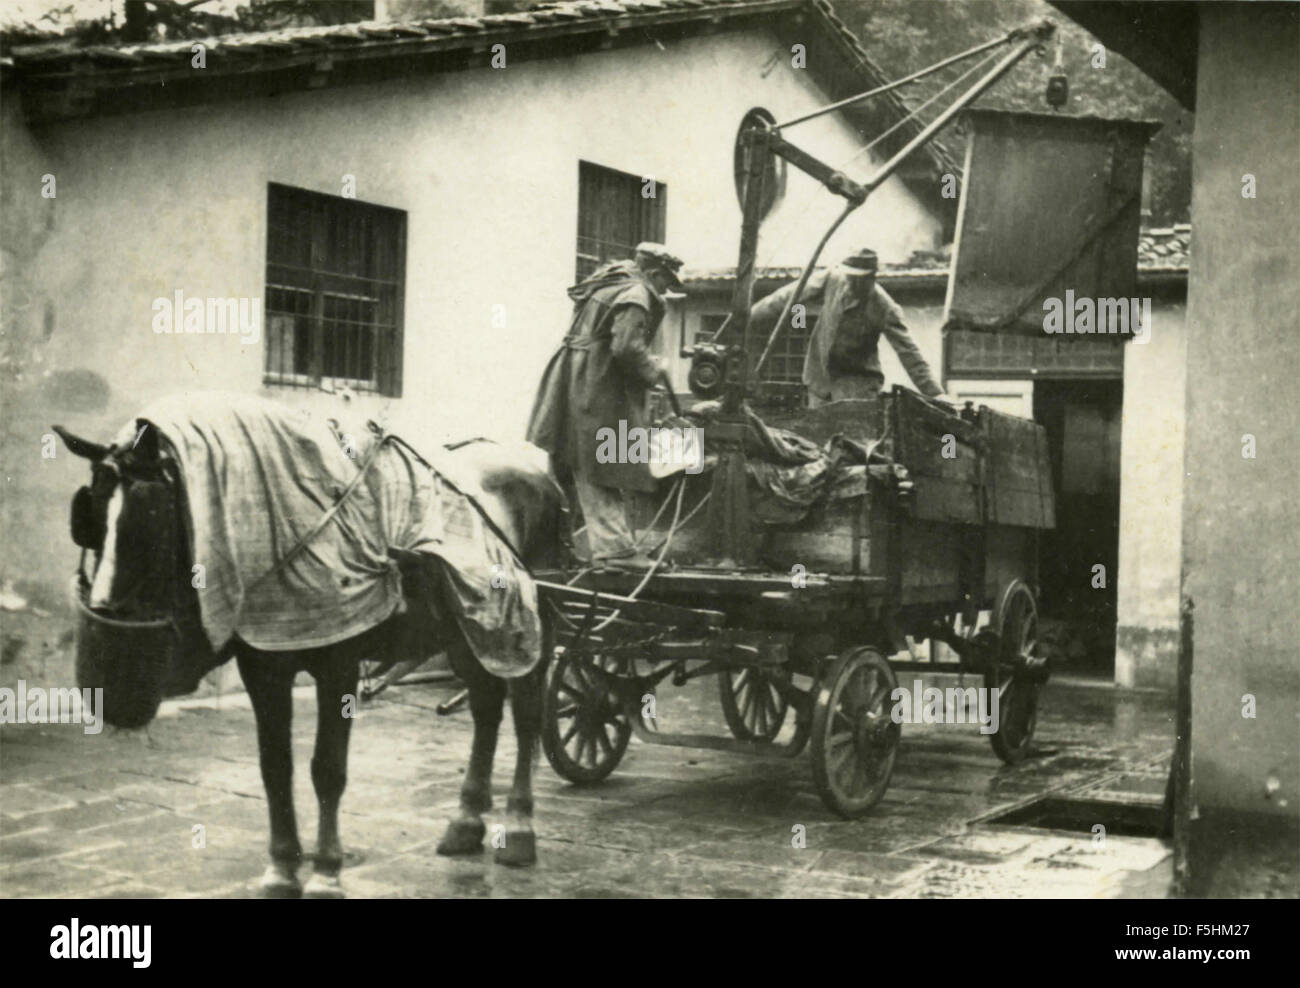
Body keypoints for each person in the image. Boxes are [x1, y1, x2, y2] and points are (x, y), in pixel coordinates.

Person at [526, 243, 685, 570]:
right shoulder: (637, 293)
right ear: (654, 274)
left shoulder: (608, 284)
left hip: (574, 377)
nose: (664, 292)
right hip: (596, 384)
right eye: (664, 284)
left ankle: (558, 545)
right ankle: (613, 550)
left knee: (572, 459)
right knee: (601, 460)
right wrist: (655, 370)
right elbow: (627, 347)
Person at [749, 248, 950, 407]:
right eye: (850, 278)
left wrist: (935, 393)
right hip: (819, 381)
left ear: (871, 278)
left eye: (859, 280)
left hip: (857, 388)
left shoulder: (884, 307)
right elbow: (789, 297)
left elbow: (909, 352)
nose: (852, 284)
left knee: (851, 446)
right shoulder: (833, 279)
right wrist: (748, 315)